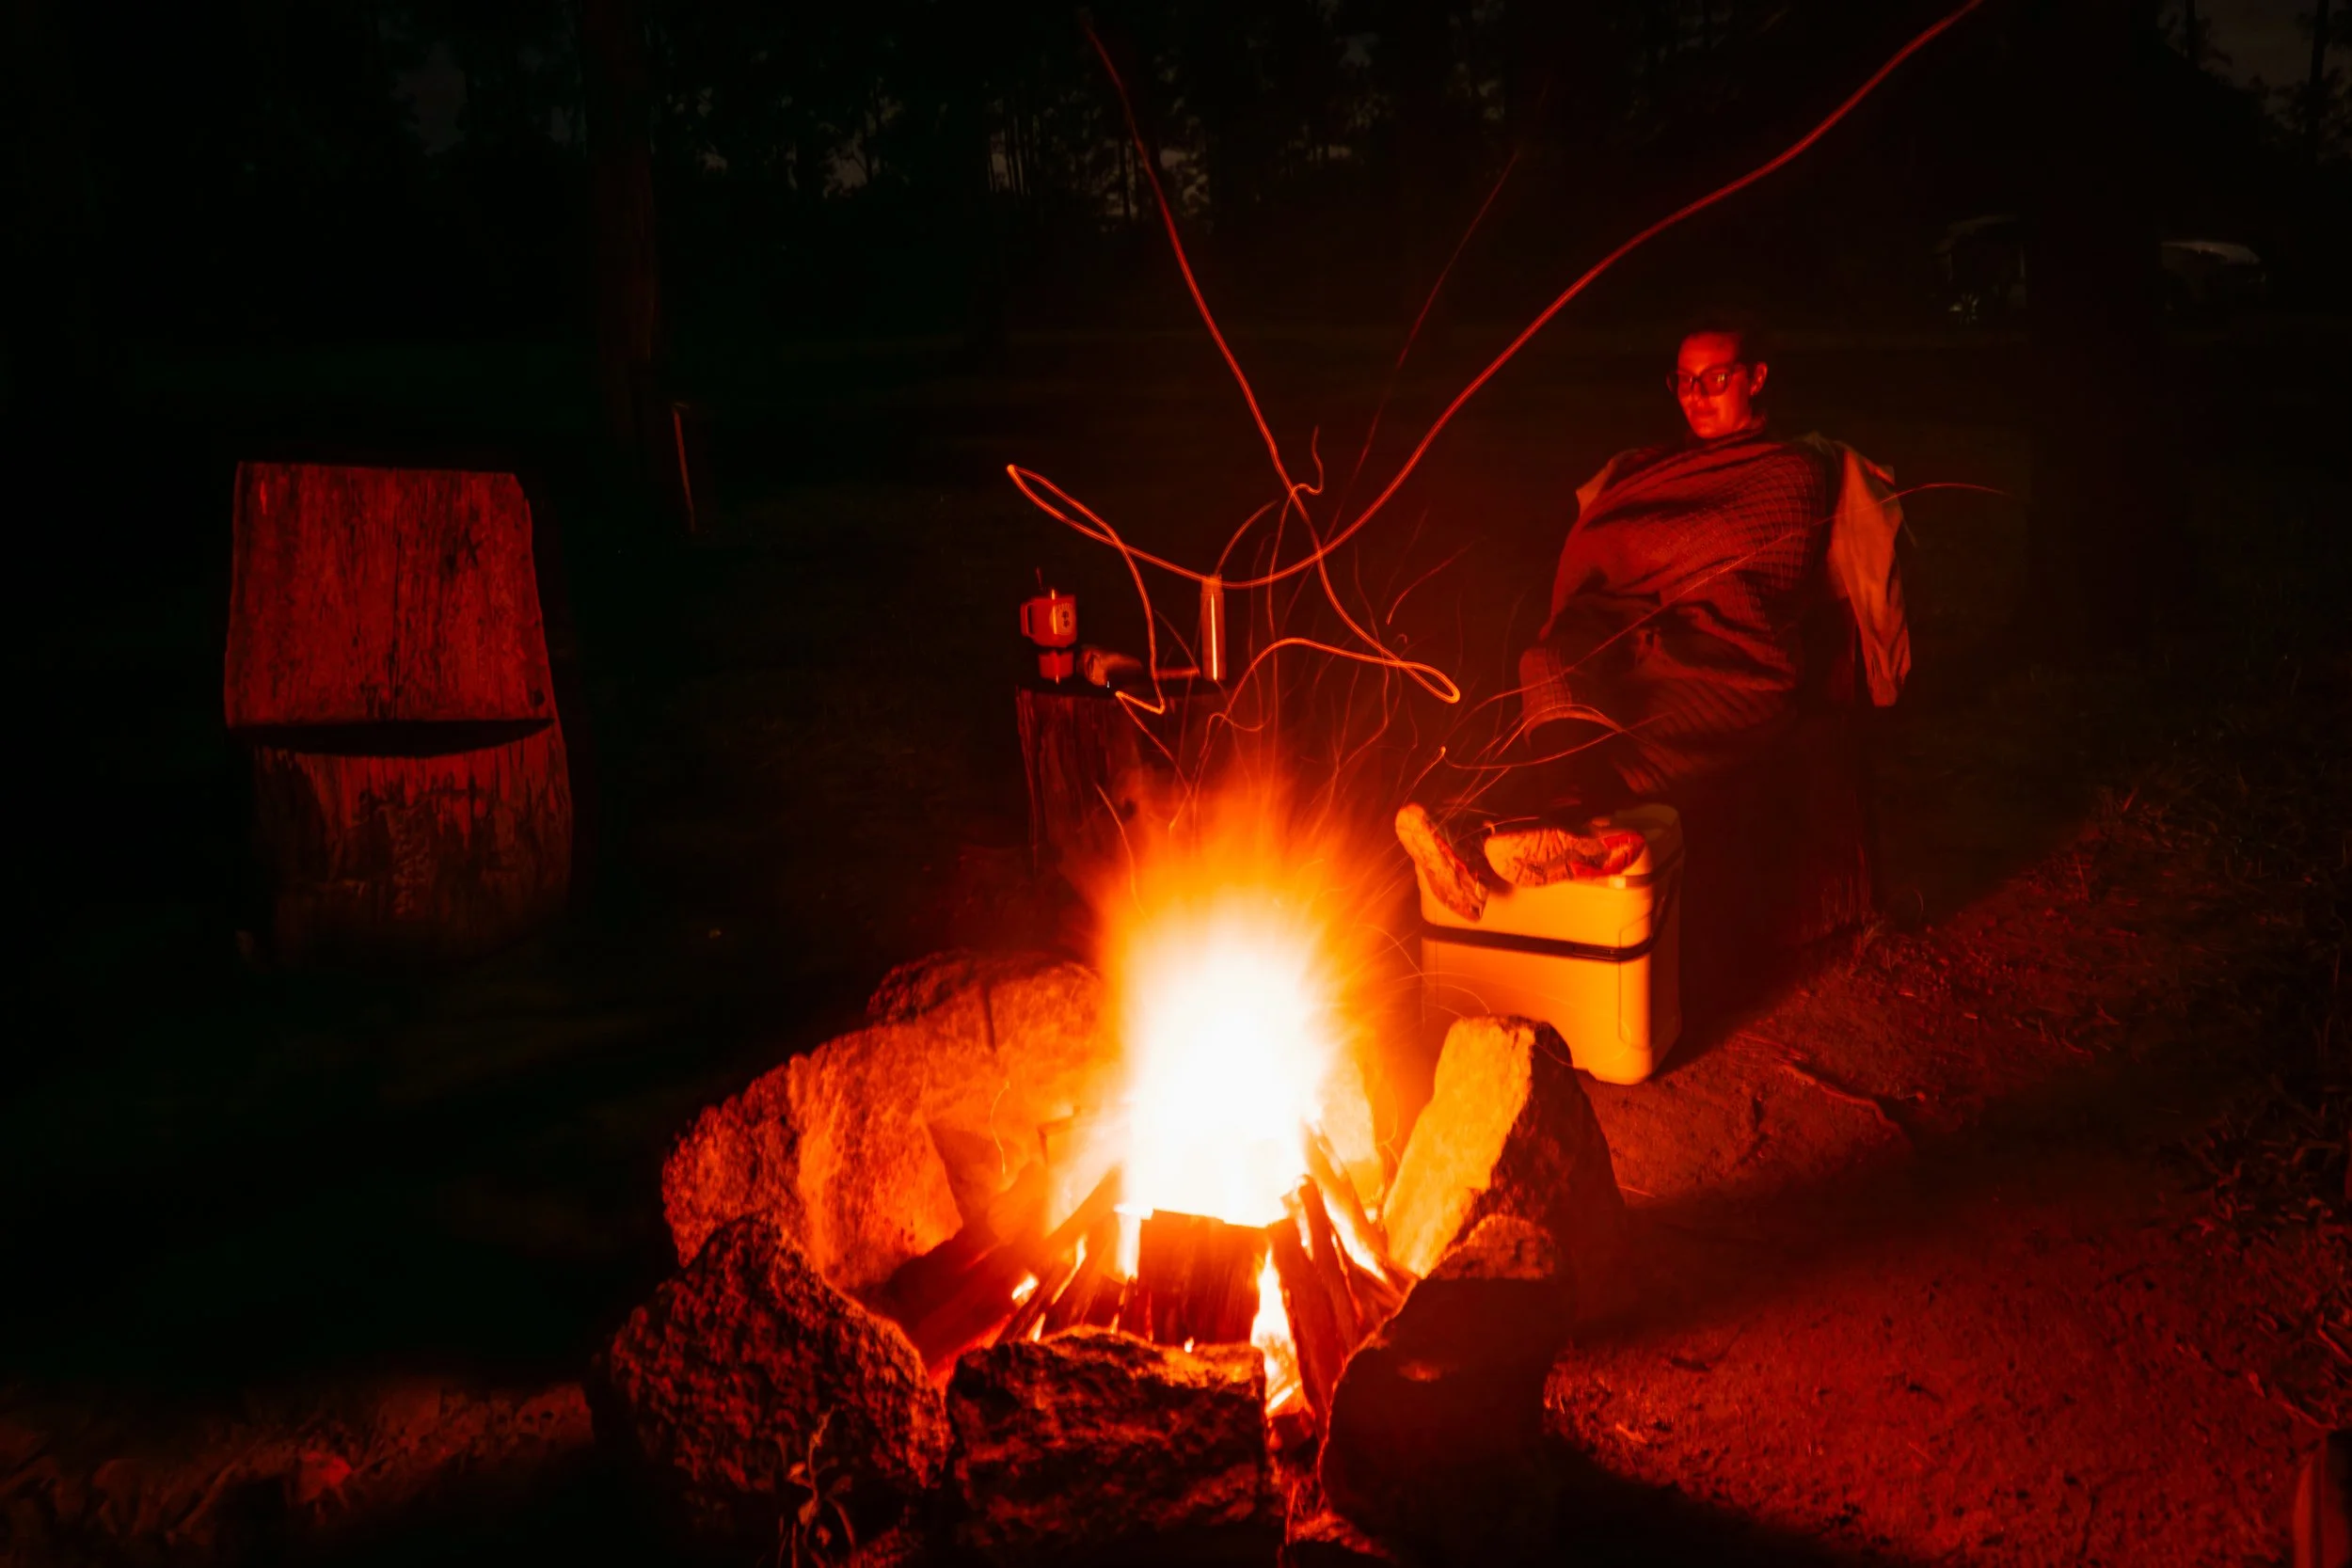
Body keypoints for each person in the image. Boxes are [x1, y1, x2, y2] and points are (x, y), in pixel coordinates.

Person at [1402, 319, 1905, 953]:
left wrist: (1647, 553)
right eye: (1685, 381)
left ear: (1755, 378)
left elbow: (1724, 548)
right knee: (1552, 658)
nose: (1697, 395)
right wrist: (1637, 578)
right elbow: (1602, 543)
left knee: (1632, 742)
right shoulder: (1654, 467)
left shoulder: (1791, 470)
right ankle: (1547, 825)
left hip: (1728, 659)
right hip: (1628, 633)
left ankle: (1488, 825)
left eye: (1715, 379)